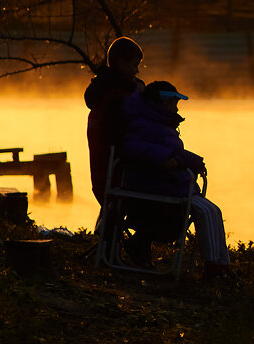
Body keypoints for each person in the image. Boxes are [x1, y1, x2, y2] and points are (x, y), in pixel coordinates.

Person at [120, 80, 235, 279]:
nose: (176, 109)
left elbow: (176, 153)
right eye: (174, 104)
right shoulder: (143, 122)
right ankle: (212, 266)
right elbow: (132, 146)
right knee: (205, 212)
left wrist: (196, 161)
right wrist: (163, 158)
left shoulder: (161, 124)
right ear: (161, 104)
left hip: (170, 184)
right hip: (153, 185)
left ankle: (222, 264)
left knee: (212, 210)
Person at [85, 36, 145, 204]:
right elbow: (125, 139)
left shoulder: (101, 91)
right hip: (119, 177)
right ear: (121, 63)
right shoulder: (118, 99)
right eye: (134, 65)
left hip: (102, 177)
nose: (137, 71)